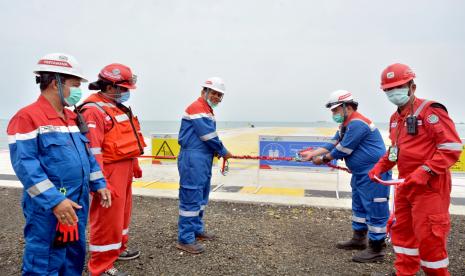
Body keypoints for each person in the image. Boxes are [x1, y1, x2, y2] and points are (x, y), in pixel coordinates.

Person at [7, 53, 110, 275]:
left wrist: (99, 183)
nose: (78, 91)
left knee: (73, 257)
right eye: (75, 85)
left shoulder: (73, 118)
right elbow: (26, 166)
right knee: (45, 260)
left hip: (77, 202)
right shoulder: (27, 117)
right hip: (48, 208)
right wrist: (54, 201)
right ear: (56, 83)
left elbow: (87, 155)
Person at [369, 63, 462, 275]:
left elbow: (452, 147)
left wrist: (425, 171)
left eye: (399, 87)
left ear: (412, 86)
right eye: (389, 90)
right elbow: (395, 151)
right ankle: (404, 272)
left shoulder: (431, 111)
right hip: (405, 184)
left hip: (430, 186)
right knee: (402, 232)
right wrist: (380, 166)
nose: (394, 93)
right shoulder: (395, 119)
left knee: (430, 237)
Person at [300, 90, 391, 263]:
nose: (333, 114)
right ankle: (359, 239)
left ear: (347, 107)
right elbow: (333, 143)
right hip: (360, 173)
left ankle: (377, 249)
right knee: (359, 206)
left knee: (375, 208)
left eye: (335, 110)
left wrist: (323, 159)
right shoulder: (345, 125)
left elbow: (343, 149)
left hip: (374, 173)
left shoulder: (357, 124)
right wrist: (312, 153)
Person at [78, 64, 146, 276]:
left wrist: (133, 162)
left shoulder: (115, 106)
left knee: (122, 214)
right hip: (107, 171)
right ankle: (100, 266)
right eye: (124, 89)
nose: (126, 93)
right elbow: (93, 151)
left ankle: (118, 248)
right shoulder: (93, 111)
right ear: (110, 87)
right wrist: (100, 183)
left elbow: (124, 136)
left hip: (123, 167)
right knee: (106, 218)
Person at [176, 77, 233, 254]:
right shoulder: (198, 108)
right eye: (214, 93)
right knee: (191, 195)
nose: (217, 97)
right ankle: (185, 239)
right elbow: (208, 135)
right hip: (193, 157)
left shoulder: (206, 109)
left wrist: (216, 151)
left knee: (201, 195)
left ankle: (196, 230)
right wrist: (223, 150)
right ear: (204, 91)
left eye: (220, 95)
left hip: (203, 157)